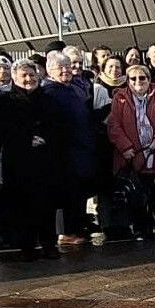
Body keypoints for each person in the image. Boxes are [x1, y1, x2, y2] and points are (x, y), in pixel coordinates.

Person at [0, 59, 59, 259]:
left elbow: (59, 126)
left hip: (46, 161)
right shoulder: (3, 101)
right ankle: (27, 247)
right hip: (18, 162)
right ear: (14, 78)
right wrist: (27, 139)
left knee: (47, 205)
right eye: (24, 75)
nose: (28, 79)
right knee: (22, 207)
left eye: (32, 75)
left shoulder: (48, 99)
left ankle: (49, 244)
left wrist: (45, 138)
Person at [108, 64, 155, 239]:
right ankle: (141, 228)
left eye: (142, 78)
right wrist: (125, 147)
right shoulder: (119, 98)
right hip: (133, 155)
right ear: (127, 81)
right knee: (137, 196)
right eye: (133, 78)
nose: (138, 81)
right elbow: (114, 125)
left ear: (149, 79)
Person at [41, 53, 94, 244]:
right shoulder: (48, 92)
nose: (65, 70)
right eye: (60, 67)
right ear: (49, 70)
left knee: (78, 192)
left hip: (80, 149)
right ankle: (66, 232)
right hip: (63, 151)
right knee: (66, 193)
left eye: (67, 66)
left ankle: (76, 228)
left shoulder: (73, 88)